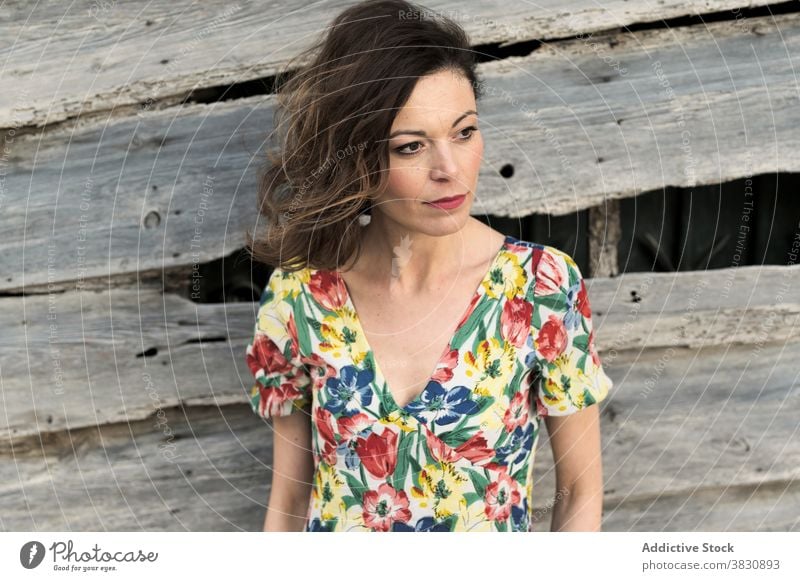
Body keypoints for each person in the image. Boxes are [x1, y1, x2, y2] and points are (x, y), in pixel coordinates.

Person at [243, 0, 613, 532]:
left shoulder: (542, 288)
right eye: (411, 146)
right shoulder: (299, 295)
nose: (449, 169)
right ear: (356, 160)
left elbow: (579, 492)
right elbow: (290, 501)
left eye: (464, 132)